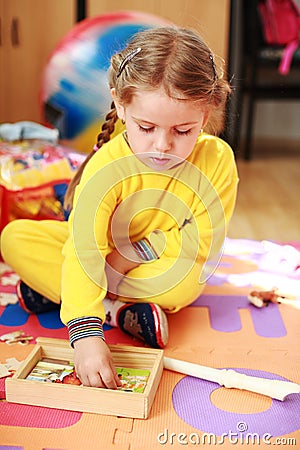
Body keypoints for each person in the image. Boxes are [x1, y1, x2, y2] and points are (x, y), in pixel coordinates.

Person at [0, 26, 238, 389]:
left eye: (183, 130)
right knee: (16, 238)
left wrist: (128, 255)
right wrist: (84, 336)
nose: (162, 145)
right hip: (99, 253)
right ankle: (116, 313)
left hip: (151, 265)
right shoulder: (105, 168)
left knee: (184, 283)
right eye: (146, 127)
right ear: (122, 106)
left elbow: (201, 242)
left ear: (205, 116)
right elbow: (83, 250)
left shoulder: (218, 160)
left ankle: (60, 292)